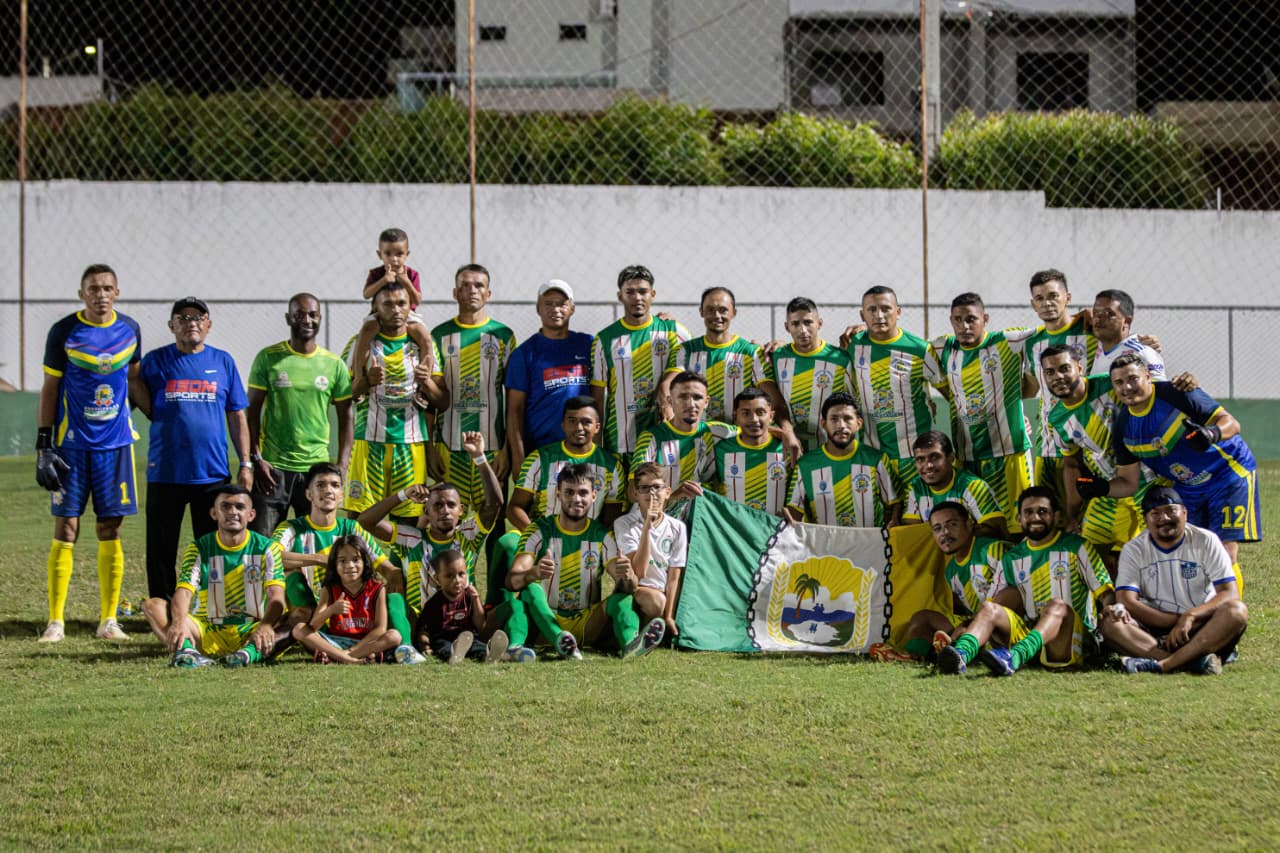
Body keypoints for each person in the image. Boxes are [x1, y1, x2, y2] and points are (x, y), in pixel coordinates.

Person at [1080, 353, 1261, 576]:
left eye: (1133, 379)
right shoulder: (1123, 426)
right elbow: (1128, 482)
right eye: (1119, 382)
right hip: (1187, 487)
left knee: (1223, 552)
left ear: (1147, 376)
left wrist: (1211, 434)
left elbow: (1231, 423)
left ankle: (1230, 609)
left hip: (1228, 473)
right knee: (1191, 554)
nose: (1127, 387)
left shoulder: (1175, 394)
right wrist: (1102, 488)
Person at [36, 263, 141, 643]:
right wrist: (43, 443)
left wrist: (159, 415)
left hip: (115, 449)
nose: (101, 295)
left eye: (107, 288)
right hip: (71, 447)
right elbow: (50, 387)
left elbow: (133, 379)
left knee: (109, 527)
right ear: (82, 294)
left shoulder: (130, 329)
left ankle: (109, 620)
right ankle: (56, 621)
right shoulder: (64, 331)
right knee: (66, 527)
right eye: (93, 289)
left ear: (117, 292)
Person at [131, 297, 251, 601]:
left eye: (198, 317)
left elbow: (237, 415)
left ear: (208, 325)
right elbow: (140, 400)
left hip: (211, 474)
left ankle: (215, 605)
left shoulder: (222, 361)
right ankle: (164, 608)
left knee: (214, 545)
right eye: (183, 318)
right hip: (166, 471)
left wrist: (246, 463)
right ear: (172, 326)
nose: (191, 323)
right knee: (161, 548)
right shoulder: (156, 361)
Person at [504, 464, 666, 659]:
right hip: (542, 621)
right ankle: (559, 640)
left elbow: (628, 587)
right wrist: (534, 573)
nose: (576, 499)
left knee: (622, 600)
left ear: (594, 496)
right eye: (569, 492)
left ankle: (631, 644)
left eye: (583, 493)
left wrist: (628, 574)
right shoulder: (539, 530)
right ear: (558, 493)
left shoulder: (602, 535)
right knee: (529, 589)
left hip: (586, 623)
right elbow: (511, 582)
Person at [358, 432, 504, 646]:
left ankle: (515, 646)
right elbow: (366, 521)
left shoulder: (467, 535)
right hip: (422, 623)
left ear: (461, 510)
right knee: (395, 600)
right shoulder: (412, 538)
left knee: (514, 607)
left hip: (461, 619)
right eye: (437, 506)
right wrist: (403, 495)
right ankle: (407, 648)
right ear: (426, 511)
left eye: (451, 505)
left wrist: (480, 457)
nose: (445, 510)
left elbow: (494, 504)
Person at [1101, 487, 1249, 675]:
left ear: (1184, 513)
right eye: (1155, 513)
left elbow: (1230, 593)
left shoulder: (1206, 540)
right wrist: (1174, 622)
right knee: (1110, 623)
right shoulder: (1134, 548)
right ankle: (1194, 661)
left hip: (1199, 623)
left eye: (1171, 510)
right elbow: (1126, 599)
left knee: (1237, 611)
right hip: (1154, 625)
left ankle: (1164, 664)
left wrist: (1190, 616)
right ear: (1145, 519)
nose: (1164, 518)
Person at [140, 484, 287, 668]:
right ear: (213, 513)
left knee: (294, 619)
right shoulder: (200, 547)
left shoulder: (267, 548)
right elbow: (184, 592)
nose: (232, 512)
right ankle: (188, 651)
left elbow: (276, 595)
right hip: (206, 629)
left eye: (240, 507)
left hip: (251, 629)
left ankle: (245, 655)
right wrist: (178, 623)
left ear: (251, 515)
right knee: (153, 606)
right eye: (225, 506)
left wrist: (265, 625)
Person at [978, 487, 1116, 676]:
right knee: (990, 607)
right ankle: (961, 654)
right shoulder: (1012, 558)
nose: (1035, 518)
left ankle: (1016, 656)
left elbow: (1106, 593)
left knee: (1057, 606)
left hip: (1073, 638)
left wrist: (1111, 609)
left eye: (1042, 511)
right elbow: (993, 607)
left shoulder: (1077, 546)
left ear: (1056, 516)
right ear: (1019, 519)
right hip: (1035, 639)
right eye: (1028, 512)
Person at [246, 293, 353, 535]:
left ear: (320, 318)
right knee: (264, 544)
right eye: (299, 314)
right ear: (288, 318)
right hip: (272, 470)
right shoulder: (268, 358)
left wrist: (343, 464)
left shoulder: (334, 364)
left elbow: (347, 416)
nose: (307, 320)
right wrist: (256, 458)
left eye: (312, 314)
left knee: (315, 541)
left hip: (316, 469)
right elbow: (251, 413)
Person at [341, 280, 446, 521]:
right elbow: (345, 396)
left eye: (402, 303)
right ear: (375, 308)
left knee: (410, 520)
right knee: (358, 520)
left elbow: (441, 402)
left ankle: (408, 561)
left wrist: (427, 382)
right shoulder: (359, 344)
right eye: (388, 304)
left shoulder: (422, 346)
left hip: (411, 445)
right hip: (368, 442)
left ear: (411, 307)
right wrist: (367, 381)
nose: (396, 310)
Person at [934, 292, 1036, 528]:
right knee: (974, 524)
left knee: (1020, 524)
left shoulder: (1009, 341)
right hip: (968, 456)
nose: (964, 326)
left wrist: (1082, 316)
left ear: (985, 319)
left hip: (1010, 453)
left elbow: (1053, 330)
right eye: (957, 320)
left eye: (971, 319)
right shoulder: (942, 348)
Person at [1039, 344, 1142, 577]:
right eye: (1050, 372)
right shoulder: (1056, 417)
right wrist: (1072, 513)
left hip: (1143, 485)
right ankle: (1113, 607)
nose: (1058, 377)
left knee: (1148, 553)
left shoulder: (1109, 384)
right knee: (1090, 553)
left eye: (1065, 368)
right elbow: (1071, 464)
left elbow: (1146, 389)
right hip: (1108, 490)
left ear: (1080, 367)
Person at [670, 286, 801, 458]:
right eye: (710, 309)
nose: (717, 315)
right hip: (696, 444)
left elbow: (774, 402)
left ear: (734, 312)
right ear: (701, 312)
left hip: (738, 446)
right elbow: (670, 389)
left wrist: (788, 432)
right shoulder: (685, 351)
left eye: (723, 310)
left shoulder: (751, 352)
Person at [430, 263, 517, 505]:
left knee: (494, 520)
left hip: (492, 448)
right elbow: (430, 397)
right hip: (449, 447)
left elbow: (512, 400)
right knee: (448, 522)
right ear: (455, 293)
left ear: (488, 294)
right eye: (465, 285)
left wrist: (506, 450)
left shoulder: (503, 335)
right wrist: (430, 448)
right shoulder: (438, 335)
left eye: (479, 285)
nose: (472, 290)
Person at [902, 501, 1022, 675]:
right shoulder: (951, 571)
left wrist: (967, 625)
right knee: (922, 618)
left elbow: (1012, 598)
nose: (945, 533)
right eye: (937, 528)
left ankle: (959, 649)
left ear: (969, 523)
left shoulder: (992, 549)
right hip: (978, 623)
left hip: (1008, 625)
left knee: (995, 605)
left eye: (952, 524)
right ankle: (926, 656)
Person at [846, 285, 945, 488]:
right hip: (872, 455)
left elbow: (954, 394)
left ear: (898, 312)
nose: (879, 315)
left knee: (917, 516)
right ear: (862, 314)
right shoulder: (854, 345)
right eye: (872, 310)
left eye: (886, 308)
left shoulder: (920, 349)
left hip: (914, 456)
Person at [273, 462, 393, 628]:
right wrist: (319, 559)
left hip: (348, 606)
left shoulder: (351, 528)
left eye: (335, 485)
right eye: (320, 485)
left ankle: (405, 645)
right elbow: (269, 557)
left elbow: (385, 567)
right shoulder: (292, 527)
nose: (328, 490)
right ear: (309, 494)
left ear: (341, 495)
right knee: (290, 571)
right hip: (313, 608)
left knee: (393, 597)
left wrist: (393, 584)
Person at [590, 264, 691, 456]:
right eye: (630, 292)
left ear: (652, 294)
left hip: (666, 440)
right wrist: (596, 445)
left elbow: (688, 382)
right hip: (620, 442)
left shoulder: (675, 332)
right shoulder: (604, 339)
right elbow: (597, 395)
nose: (637, 297)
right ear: (620, 296)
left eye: (643, 291)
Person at [1021, 269, 1097, 498]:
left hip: (1088, 445)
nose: (1047, 303)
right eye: (1040, 298)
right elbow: (1032, 388)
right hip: (1047, 445)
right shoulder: (1031, 341)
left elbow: (1122, 341)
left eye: (1053, 295)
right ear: (1033, 304)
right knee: (1051, 515)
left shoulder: (1091, 330)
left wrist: (1146, 341)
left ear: (1068, 298)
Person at [505, 280, 593, 477]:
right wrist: (519, 458)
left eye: (561, 303)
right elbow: (514, 410)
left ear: (572, 308)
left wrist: (666, 321)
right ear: (538, 308)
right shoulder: (525, 353)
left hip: (582, 451)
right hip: (541, 451)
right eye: (548, 303)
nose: (555, 309)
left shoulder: (587, 344)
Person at [509, 396, 625, 531]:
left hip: (586, 544)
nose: (579, 427)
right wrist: (538, 536)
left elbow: (611, 519)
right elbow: (514, 508)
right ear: (563, 424)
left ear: (597, 427)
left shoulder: (611, 466)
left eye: (586, 422)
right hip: (545, 539)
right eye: (572, 421)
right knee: (508, 543)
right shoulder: (540, 458)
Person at [784, 393, 900, 528]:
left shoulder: (876, 459)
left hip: (868, 546)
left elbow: (894, 503)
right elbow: (794, 511)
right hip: (824, 547)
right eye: (834, 419)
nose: (841, 425)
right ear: (824, 424)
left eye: (847, 418)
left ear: (859, 424)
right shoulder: (805, 465)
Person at [349, 227, 436, 393]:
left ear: (407, 254)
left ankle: (426, 381)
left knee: (425, 338)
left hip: (408, 315)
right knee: (367, 331)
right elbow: (367, 294)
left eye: (399, 254)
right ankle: (359, 376)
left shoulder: (411, 274)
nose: (393, 259)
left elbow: (417, 299)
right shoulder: (377, 273)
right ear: (379, 254)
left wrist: (406, 282)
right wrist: (383, 280)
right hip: (379, 314)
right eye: (388, 254)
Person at [291, 534, 402, 664]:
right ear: (334, 564)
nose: (350, 565)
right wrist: (331, 610)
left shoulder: (377, 588)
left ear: (365, 561)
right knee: (299, 629)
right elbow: (314, 625)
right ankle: (353, 659)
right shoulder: (330, 588)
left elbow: (380, 629)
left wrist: (351, 651)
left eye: (355, 559)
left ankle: (339, 658)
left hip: (365, 643)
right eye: (343, 561)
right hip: (334, 642)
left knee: (394, 636)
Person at [762, 297, 851, 453]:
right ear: (787, 327)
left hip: (831, 449)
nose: (802, 330)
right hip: (790, 448)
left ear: (819, 323)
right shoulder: (775, 357)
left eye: (808, 322)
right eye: (795, 324)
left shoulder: (841, 359)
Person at [614, 463, 688, 639]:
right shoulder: (624, 524)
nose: (652, 493)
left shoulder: (678, 527)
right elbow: (638, 572)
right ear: (635, 494)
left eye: (657, 487)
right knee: (656, 601)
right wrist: (647, 527)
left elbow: (673, 576)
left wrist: (669, 616)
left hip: (662, 592)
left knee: (665, 603)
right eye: (645, 488)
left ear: (668, 492)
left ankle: (658, 626)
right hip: (635, 590)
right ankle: (640, 635)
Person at [632, 371, 724, 501]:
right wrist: (674, 496)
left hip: (694, 518)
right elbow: (632, 493)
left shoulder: (717, 432)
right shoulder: (651, 437)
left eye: (697, 397)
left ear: (706, 402)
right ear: (670, 400)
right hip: (655, 518)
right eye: (683, 397)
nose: (691, 404)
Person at [900, 431, 1007, 540]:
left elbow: (997, 529)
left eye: (935, 457)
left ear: (951, 458)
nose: (928, 465)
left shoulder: (972, 485)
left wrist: (953, 535)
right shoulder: (916, 487)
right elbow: (912, 532)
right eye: (920, 459)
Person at [412, 550, 511, 664]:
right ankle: (454, 655)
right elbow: (423, 631)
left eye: (461, 574)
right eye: (449, 576)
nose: (457, 580)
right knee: (443, 646)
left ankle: (488, 656)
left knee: (477, 645)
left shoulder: (469, 597)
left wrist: (476, 599)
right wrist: (426, 647)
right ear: (437, 579)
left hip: (468, 637)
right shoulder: (434, 604)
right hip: (443, 638)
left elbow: (480, 625)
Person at [711, 388, 791, 517]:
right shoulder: (720, 449)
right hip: (734, 529)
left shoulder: (787, 449)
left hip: (777, 530)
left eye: (760, 412)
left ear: (771, 416)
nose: (754, 419)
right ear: (735, 417)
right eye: (746, 413)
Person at [1087, 289, 1167, 379]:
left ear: (1127, 321)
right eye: (1095, 313)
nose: (1098, 318)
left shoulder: (1142, 352)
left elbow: (1160, 389)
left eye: (1108, 313)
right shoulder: (1096, 344)